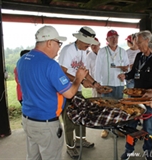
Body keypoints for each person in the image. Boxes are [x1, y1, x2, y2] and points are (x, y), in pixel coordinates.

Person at [17, 25, 88, 160]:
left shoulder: (22, 60)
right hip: (46, 124)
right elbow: (69, 94)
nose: (59, 48)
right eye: (58, 43)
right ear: (49, 43)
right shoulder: (50, 65)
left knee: (33, 156)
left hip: (28, 120)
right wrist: (79, 78)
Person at [118, 30, 152, 160]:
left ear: (147, 41)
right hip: (135, 98)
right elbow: (133, 73)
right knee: (131, 124)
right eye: (136, 42)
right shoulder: (139, 56)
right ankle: (129, 149)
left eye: (138, 42)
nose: (136, 45)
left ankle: (148, 151)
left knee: (148, 126)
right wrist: (125, 75)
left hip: (150, 99)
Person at [58, 26, 100, 159]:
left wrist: (94, 83)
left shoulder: (83, 51)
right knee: (69, 119)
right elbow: (62, 72)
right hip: (67, 90)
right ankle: (70, 147)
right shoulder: (68, 50)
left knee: (82, 116)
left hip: (78, 89)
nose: (88, 45)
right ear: (79, 40)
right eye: (87, 43)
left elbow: (84, 72)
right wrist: (80, 81)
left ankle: (81, 140)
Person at [95, 29, 129, 138]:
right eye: (111, 38)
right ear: (107, 40)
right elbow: (97, 68)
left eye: (116, 37)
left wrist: (125, 69)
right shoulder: (102, 51)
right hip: (106, 84)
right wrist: (98, 84)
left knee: (118, 107)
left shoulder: (122, 51)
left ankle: (117, 128)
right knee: (106, 107)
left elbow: (127, 68)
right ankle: (106, 129)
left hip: (118, 84)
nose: (114, 39)